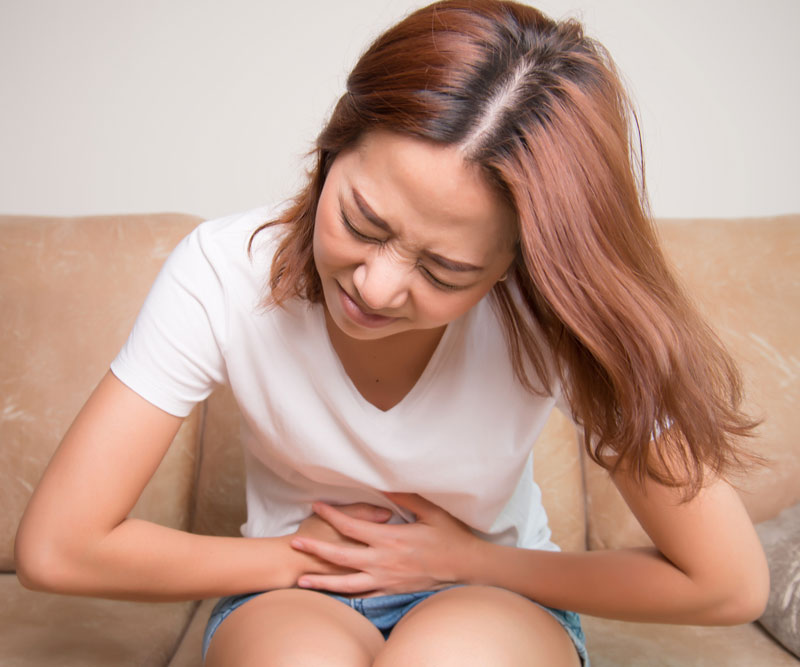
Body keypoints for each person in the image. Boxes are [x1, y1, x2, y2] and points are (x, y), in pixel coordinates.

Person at [15, 1, 769, 665]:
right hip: (292, 590)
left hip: (491, 593)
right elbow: (57, 546)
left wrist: (469, 561)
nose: (374, 288)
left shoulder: (552, 311)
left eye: (445, 271)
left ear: (516, 266)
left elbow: (726, 581)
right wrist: (293, 559)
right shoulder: (221, 270)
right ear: (332, 145)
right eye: (361, 222)